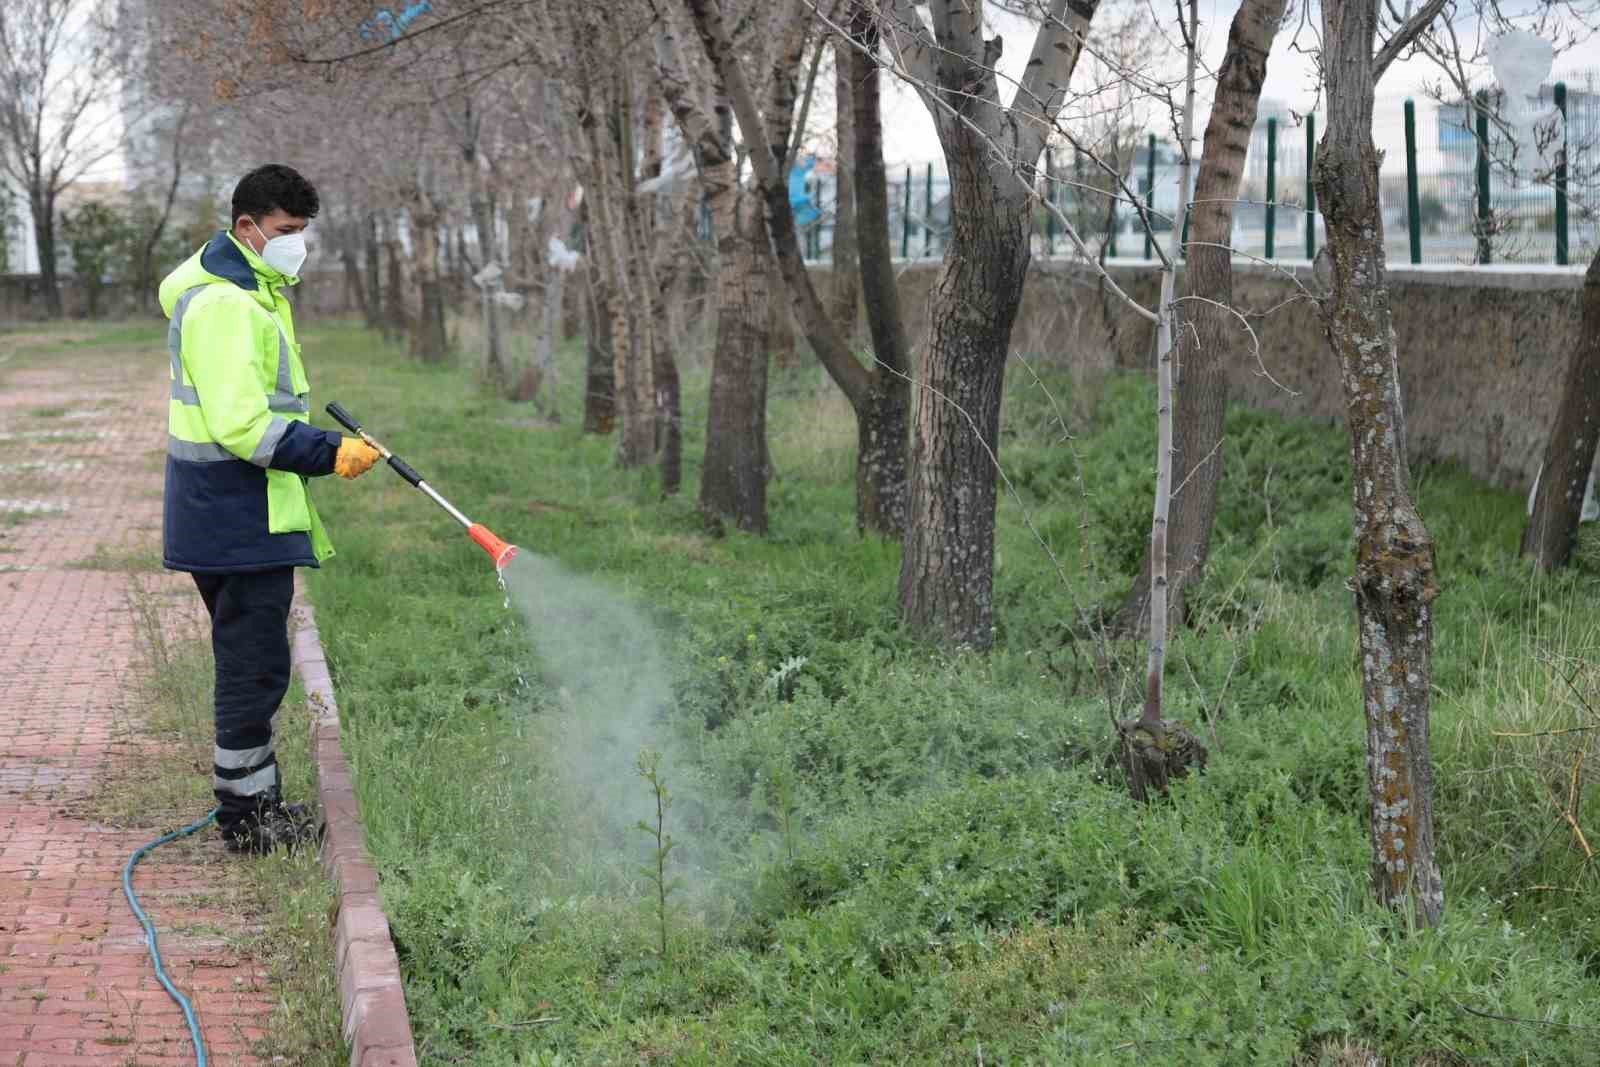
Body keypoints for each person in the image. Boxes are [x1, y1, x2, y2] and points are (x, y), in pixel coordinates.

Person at [158, 164, 381, 854]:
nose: (297, 246)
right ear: (248, 228)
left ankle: (255, 804)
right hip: (234, 515)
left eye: (302, 233)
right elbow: (244, 428)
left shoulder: (253, 287)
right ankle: (248, 822)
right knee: (252, 670)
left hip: (236, 512)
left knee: (253, 664)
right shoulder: (225, 304)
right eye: (286, 232)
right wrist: (329, 451)